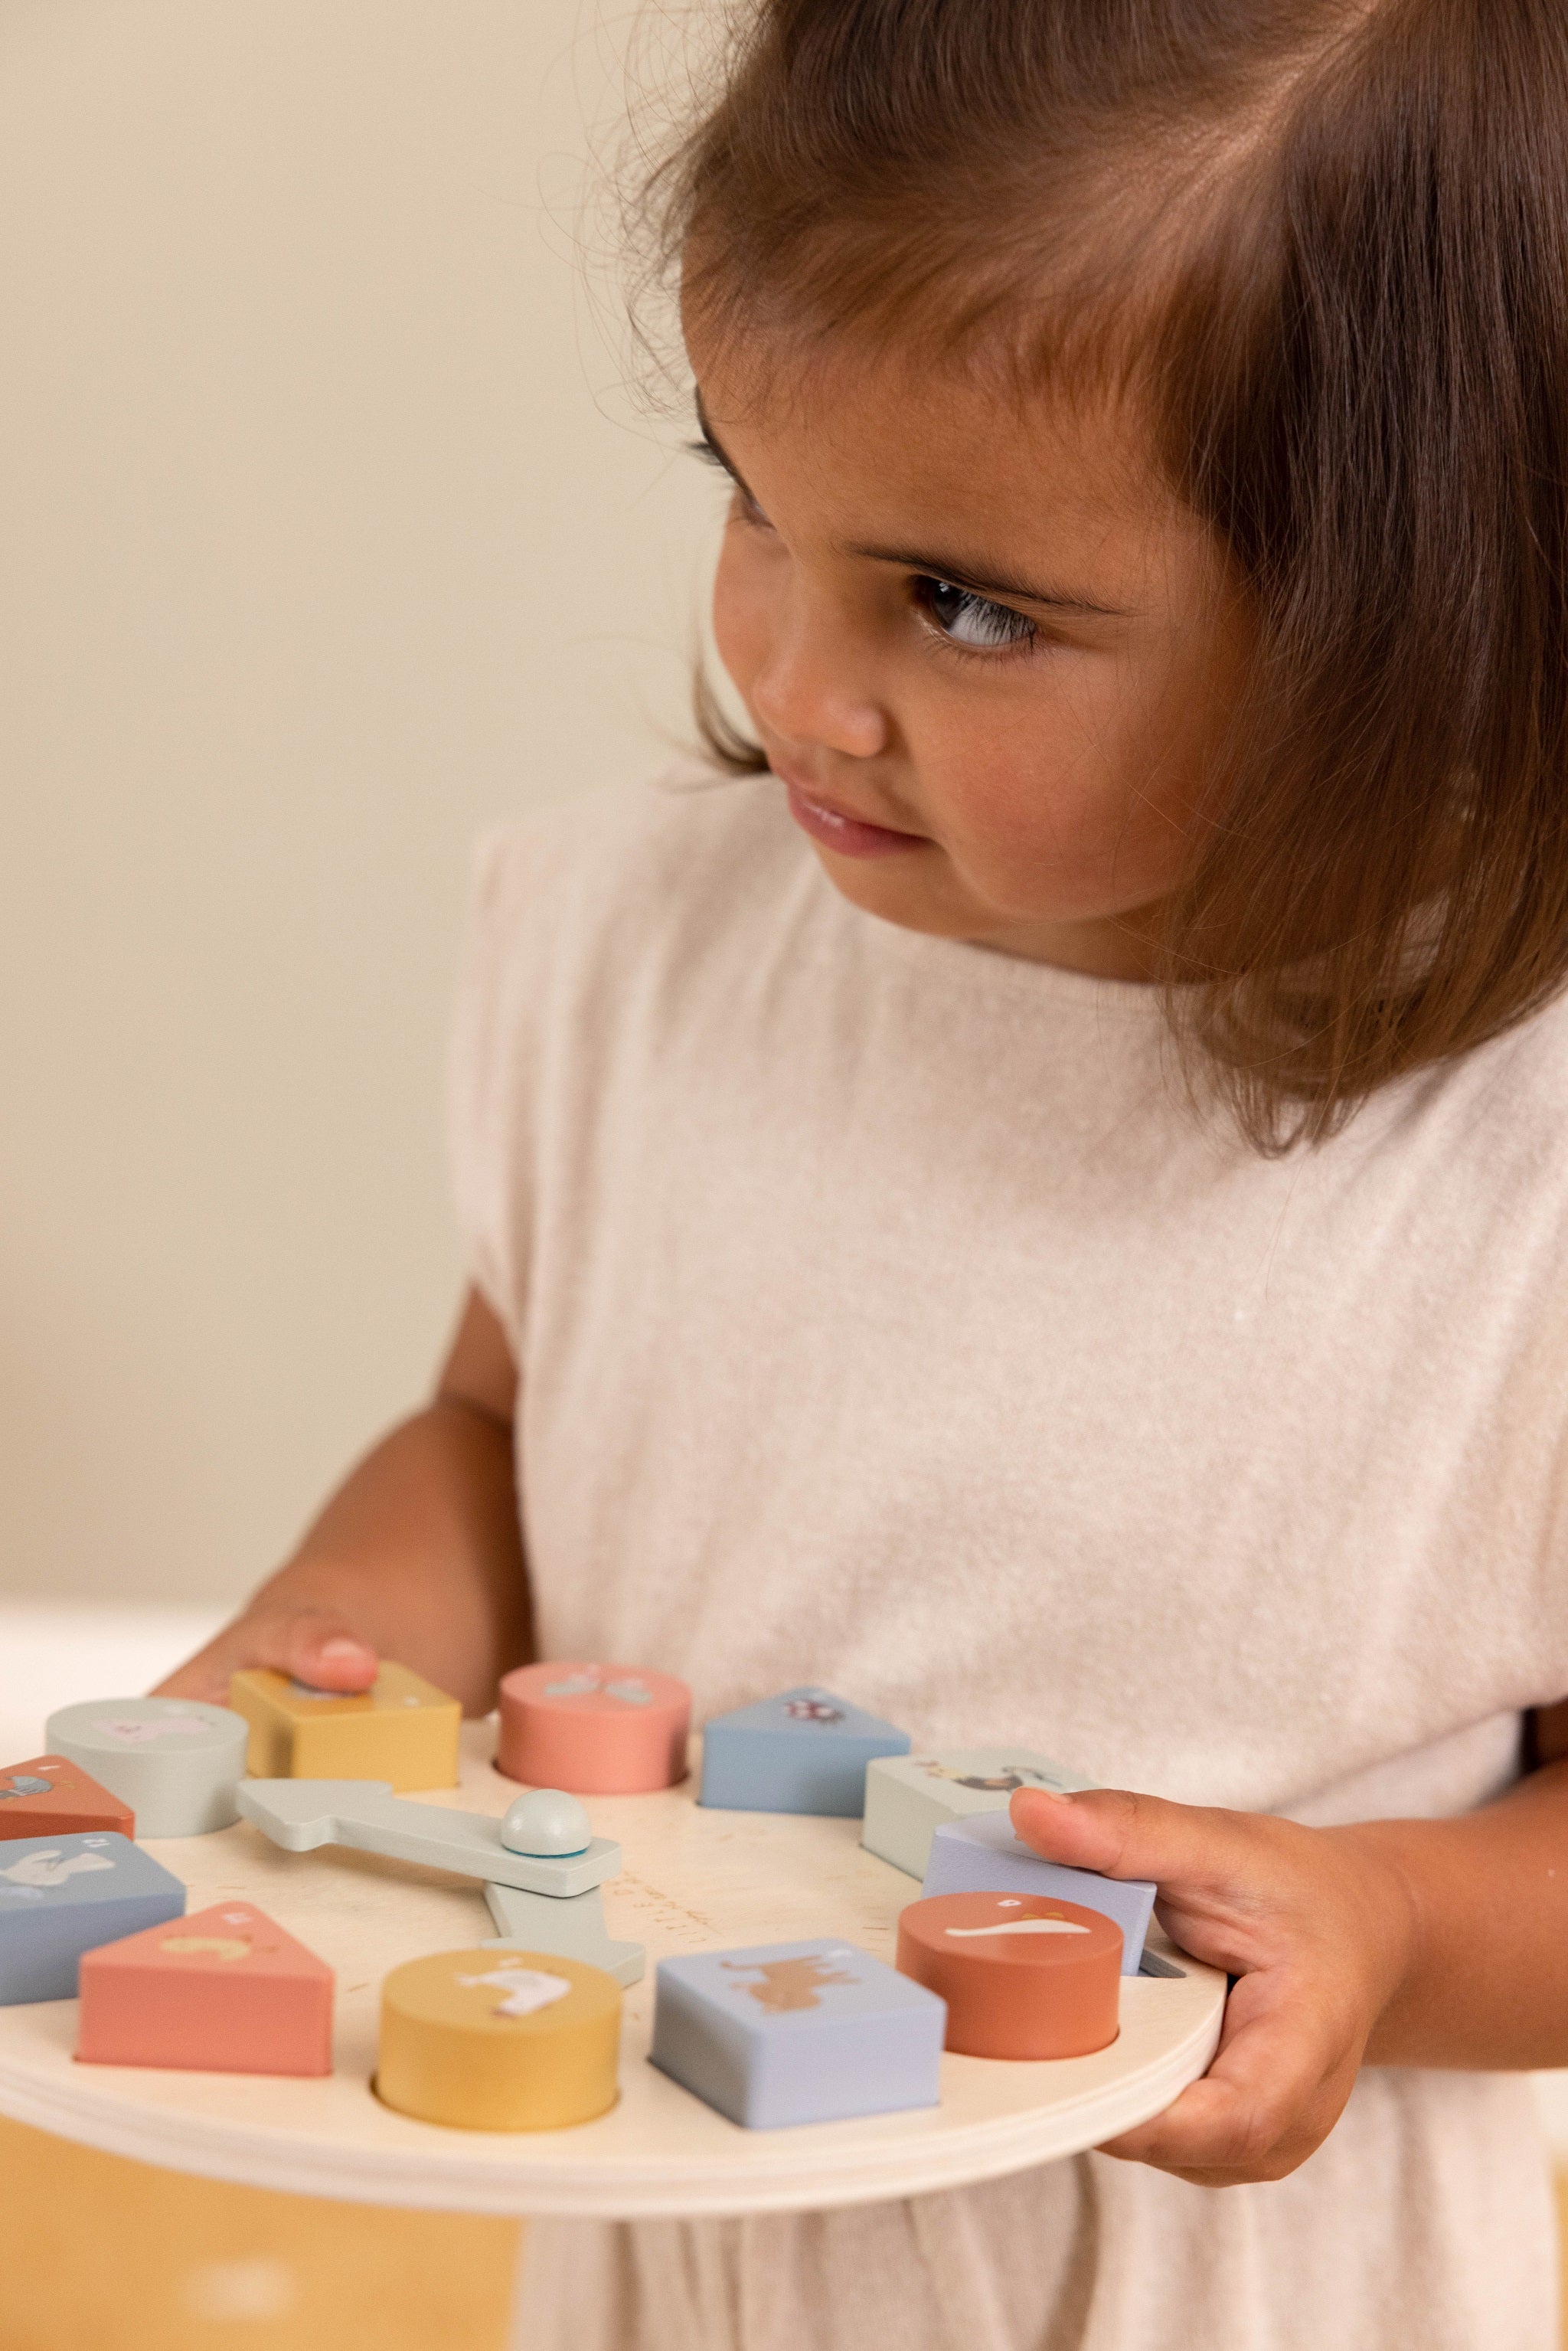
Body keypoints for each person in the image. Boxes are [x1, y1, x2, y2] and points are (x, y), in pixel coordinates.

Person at [162, 2, 1568, 2343]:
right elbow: (505, 1430)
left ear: (1429, 640)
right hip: (683, 2221)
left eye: (966, 604)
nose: (797, 679)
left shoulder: (1517, 1172)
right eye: (747, 498)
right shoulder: (640, 956)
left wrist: (1397, 1929)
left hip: (1236, 2276)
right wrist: (341, 1632)